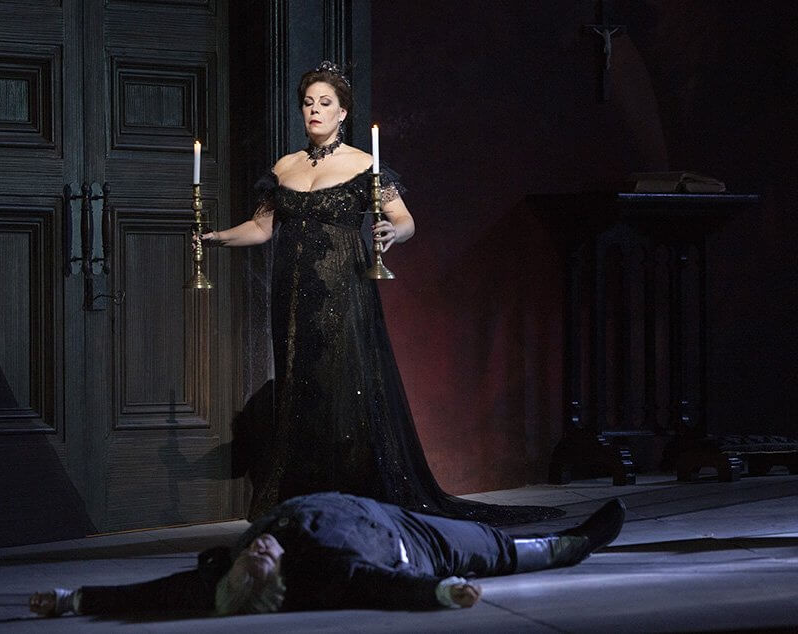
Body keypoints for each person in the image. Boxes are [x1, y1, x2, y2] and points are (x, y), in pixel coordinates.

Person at [201, 61, 559, 525]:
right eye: (308, 103)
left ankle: (350, 499)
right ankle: (306, 499)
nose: (314, 110)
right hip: (291, 295)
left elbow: (406, 220)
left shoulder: (363, 165)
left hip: (342, 291)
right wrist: (217, 238)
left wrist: (394, 231)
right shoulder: (285, 167)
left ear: (342, 112)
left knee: (342, 387)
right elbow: (261, 227)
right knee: (299, 387)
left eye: (324, 103)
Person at [29, 492, 626, 617]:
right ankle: (572, 546)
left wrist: (70, 599)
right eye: (261, 559)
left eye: (250, 553)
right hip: (415, 546)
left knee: (481, 536)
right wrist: (444, 592)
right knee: (490, 545)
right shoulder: (329, 571)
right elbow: (384, 587)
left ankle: (565, 543)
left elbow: (149, 597)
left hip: (378, 510)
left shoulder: (222, 574)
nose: (258, 546)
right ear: (273, 583)